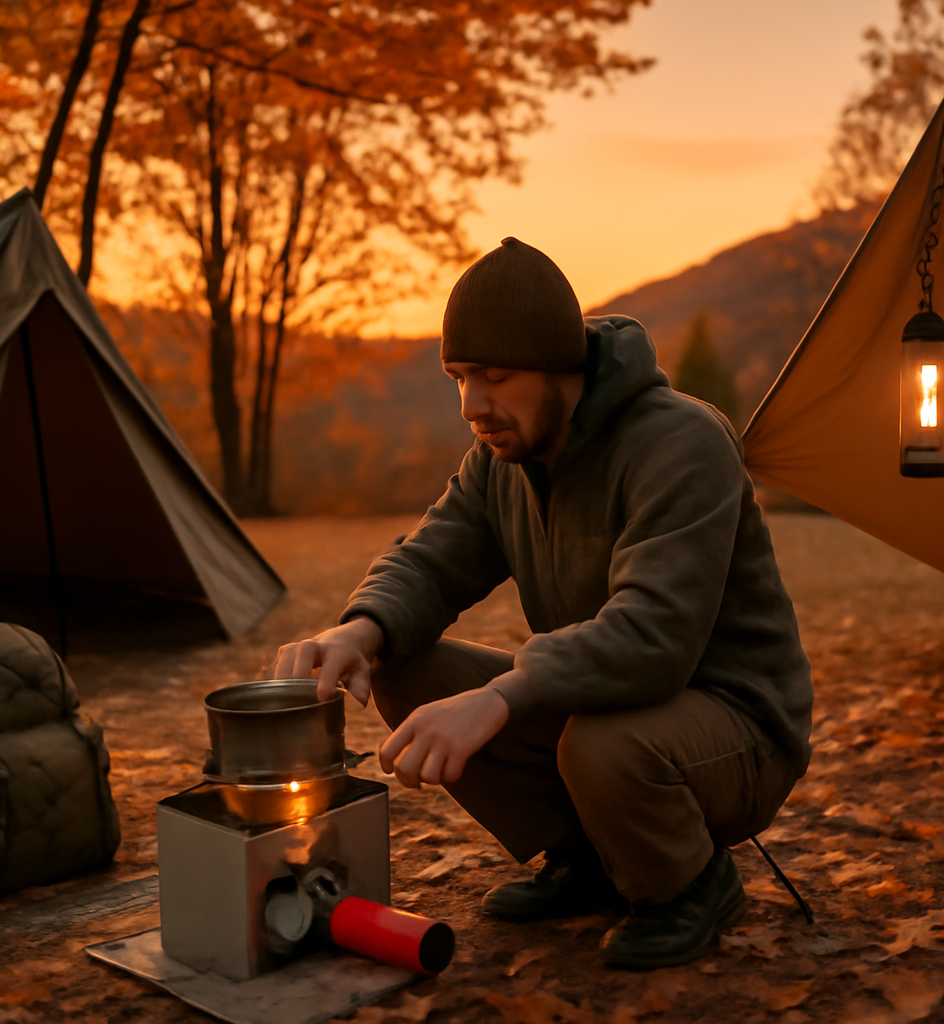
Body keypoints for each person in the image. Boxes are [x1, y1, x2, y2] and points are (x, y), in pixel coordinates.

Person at [273, 237, 813, 969]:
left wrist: (501, 696)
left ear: (565, 371)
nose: (472, 405)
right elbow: (431, 560)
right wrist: (358, 630)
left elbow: (654, 634)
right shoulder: (503, 460)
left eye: (495, 377)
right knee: (402, 666)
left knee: (601, 744)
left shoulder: (682, 441)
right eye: (459, 378)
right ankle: (587, 857)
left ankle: (688, 883)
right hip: (609, 707)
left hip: (735, 723)